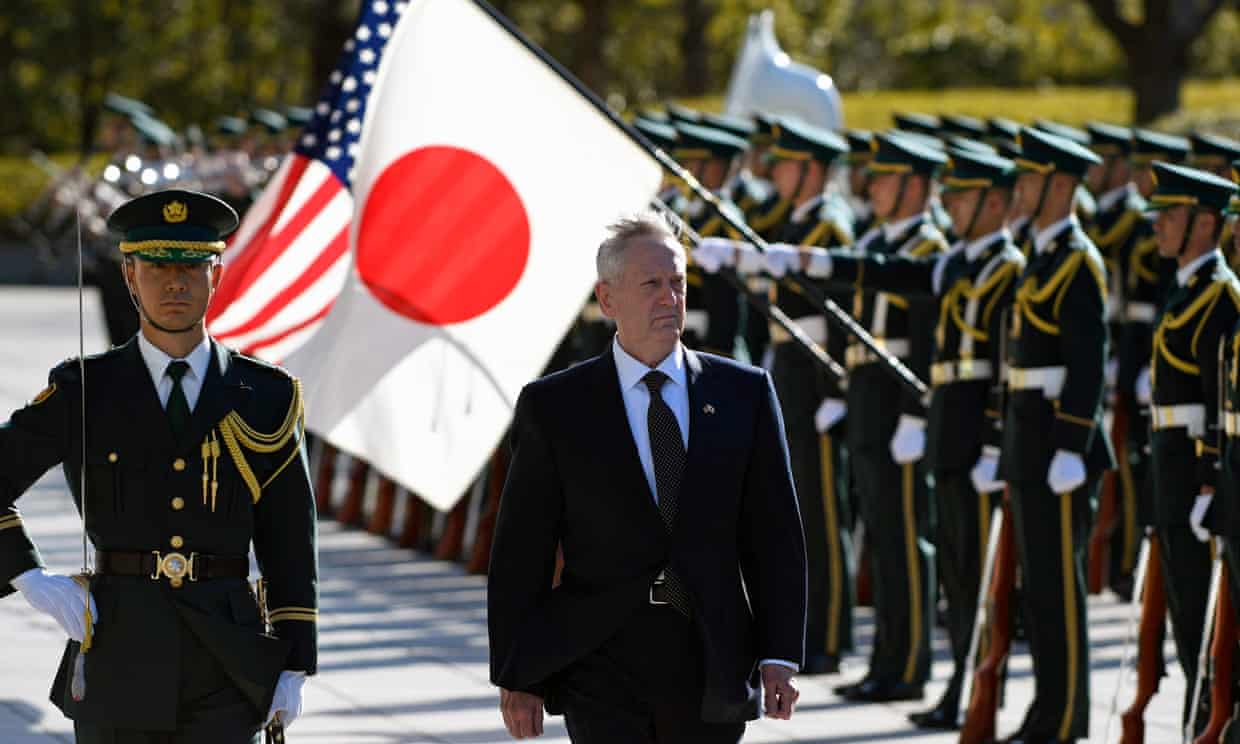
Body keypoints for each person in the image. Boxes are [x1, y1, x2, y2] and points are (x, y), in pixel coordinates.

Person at [0, 189, 317, 743]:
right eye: (158, 267)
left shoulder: (265, 395)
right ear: (129, 276)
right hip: (119, 646)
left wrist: (294, 663)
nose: (176, 283)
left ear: (216, 276)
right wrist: (27, 573)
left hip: (228, 657)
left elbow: (289, 541)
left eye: (193, 267)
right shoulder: (86, 390)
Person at [487, 212, 807, 743]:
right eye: (652, 284)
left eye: (678, 283)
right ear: (607, 299)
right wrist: (518, 674)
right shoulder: (557, 405)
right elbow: (522, 551)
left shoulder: (743, 394)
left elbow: (774, 536)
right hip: (599, 658)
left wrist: (779, 653)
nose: (670, 298)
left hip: (712, 657)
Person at [698, 118, 856, 676]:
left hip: (817, 376)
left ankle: (832, 635)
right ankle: (808, 630)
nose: (777, 171)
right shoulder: (797, 221)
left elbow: (844, 316)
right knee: (796, 509)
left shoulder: (831, 227)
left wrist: (838, 389)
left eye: (788, 163)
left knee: (821, 507)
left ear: (812, 169)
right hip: (789, 365)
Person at [997, 127, 1114, 743]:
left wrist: (1072, 442)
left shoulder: (1077, 261)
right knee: (1036, 589)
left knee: (1060, 593)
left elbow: (1089, 360)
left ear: (1061, 186)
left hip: (1056, 445)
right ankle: (1047, 708)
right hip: (1029, 439)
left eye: (1030, 180)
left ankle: (1067, 716)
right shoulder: (1039, 252)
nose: (1019, 190)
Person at [1138, 162, 1240, 730]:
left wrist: (1208, 480)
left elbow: (1218, 403)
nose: (1157, 225)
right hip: (1170, 476)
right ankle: (1196, 724)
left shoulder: (1221, 297)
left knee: (1209, 625)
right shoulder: (1186, 291)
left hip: (1197, 483)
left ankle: (1209, 726)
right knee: (1184, 619)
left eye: (1169, 215)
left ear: (1204, 223)